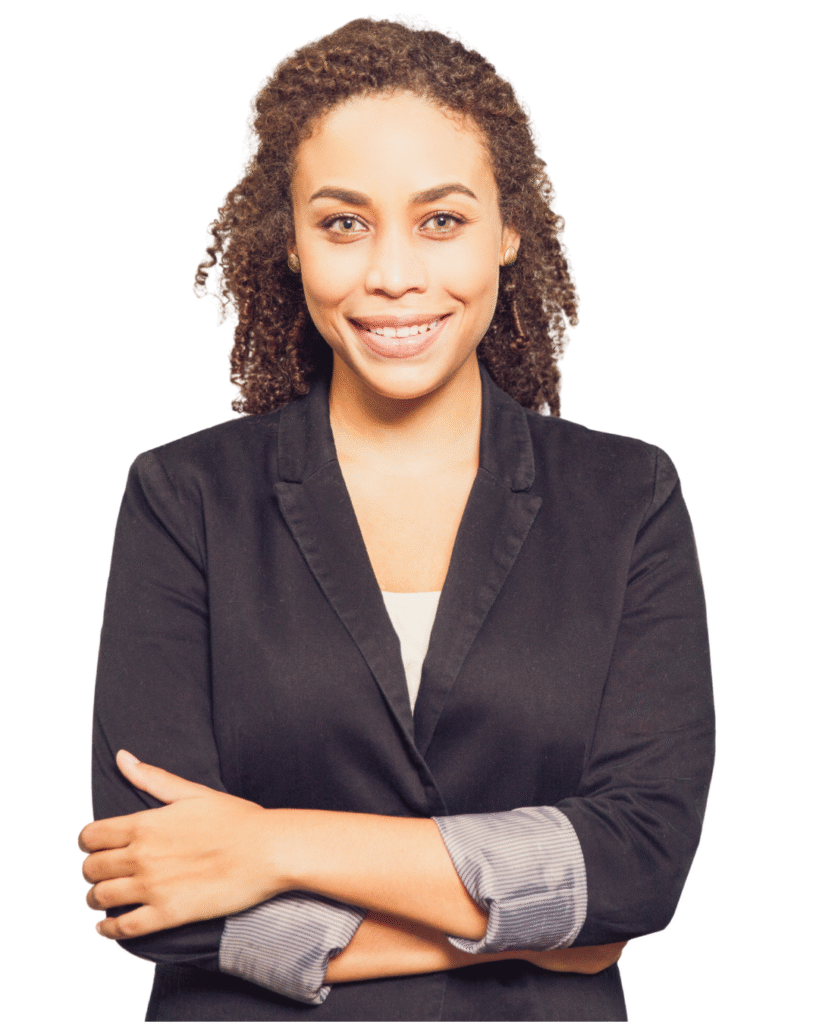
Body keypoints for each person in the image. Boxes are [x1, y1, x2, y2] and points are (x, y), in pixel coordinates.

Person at [79, 18, 714, 1022]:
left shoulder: (625, 497)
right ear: (291, 242)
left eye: (441, 220)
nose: (393, 274)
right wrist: (545, 924)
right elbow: (152, 890)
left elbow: (638, 864)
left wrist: (272, 844)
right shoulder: (185, 496)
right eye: (343, 223)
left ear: (508, 230)